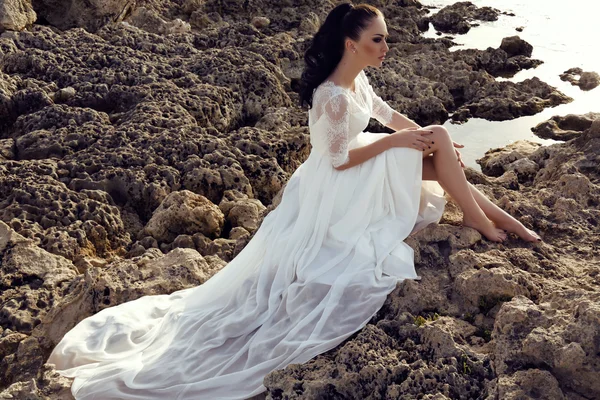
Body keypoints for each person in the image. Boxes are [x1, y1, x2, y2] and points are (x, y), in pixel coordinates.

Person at [47, 3, 542, 400]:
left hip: (358, 171)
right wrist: (403, 143)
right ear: (352, 44)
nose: (387, 46)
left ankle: (495, 220)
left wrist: (422, 139)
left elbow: (390, 116)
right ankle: (489, 221)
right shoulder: (330, 95)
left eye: (386, 37)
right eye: (378, 39)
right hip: (337, 188)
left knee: (436, 139)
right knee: (432, 139)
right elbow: (339, 159)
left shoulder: (359, 79)